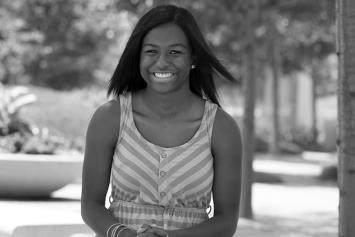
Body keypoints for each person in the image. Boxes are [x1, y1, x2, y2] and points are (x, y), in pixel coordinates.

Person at [81, 4, 242, 237]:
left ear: (193, 58)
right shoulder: (109, 118)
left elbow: (226, 222)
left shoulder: (222, 128)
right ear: (138, 57)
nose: (162, 62)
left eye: (175, 52)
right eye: (151, 52)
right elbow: (90, 206)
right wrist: (125, 235)